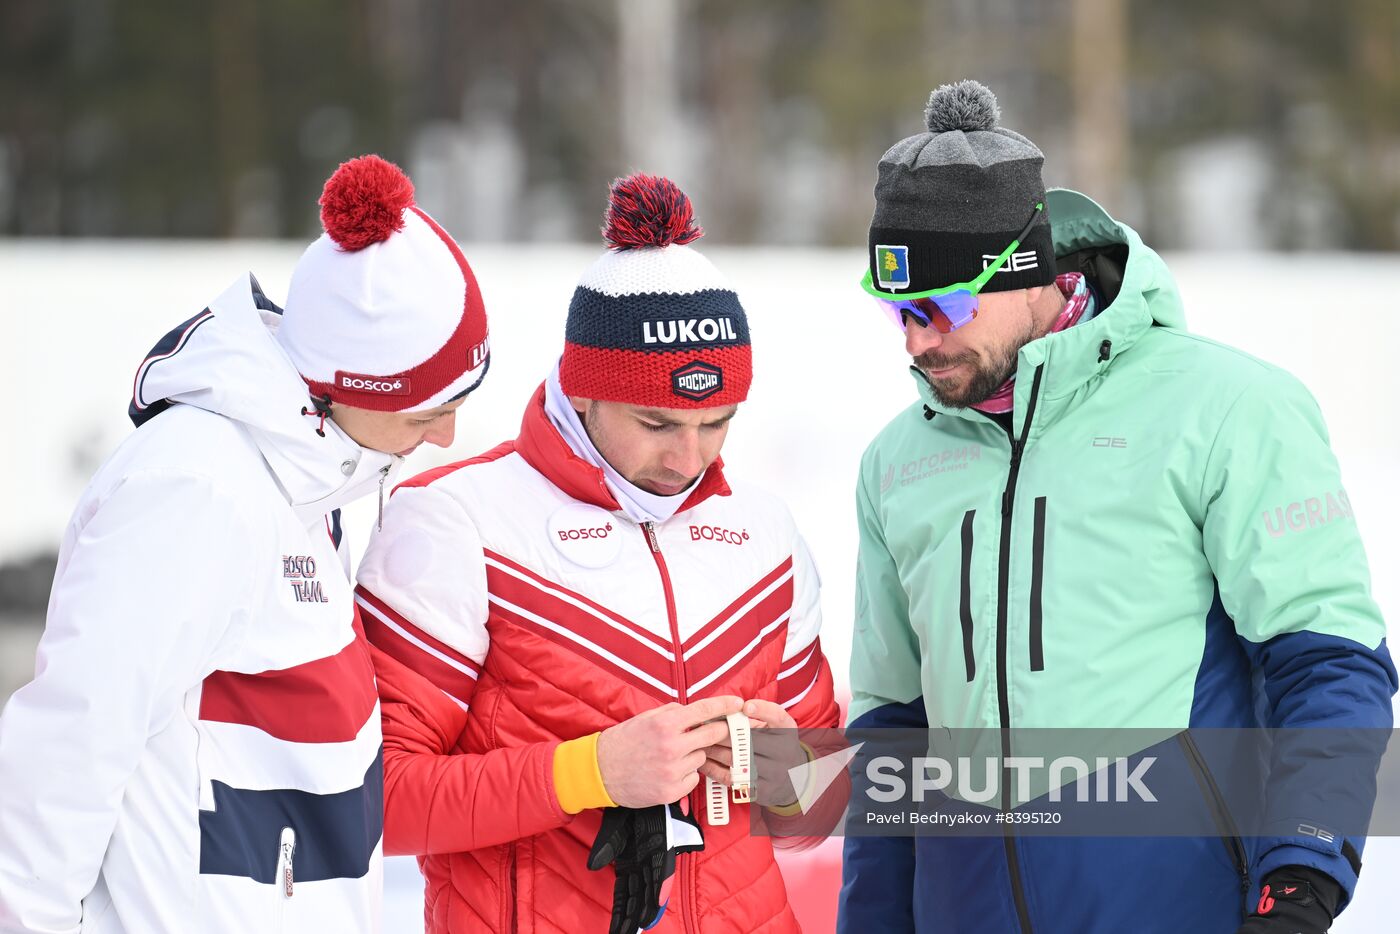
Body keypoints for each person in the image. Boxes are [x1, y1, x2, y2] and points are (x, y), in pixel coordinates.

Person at [838, 80, 1396, 934]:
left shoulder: (1226, 408)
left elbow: (1328, 663)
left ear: (1024, 270)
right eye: (898, 314)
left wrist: (1303, 875)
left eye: (942, 307)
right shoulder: (898, 461)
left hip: (1180, 906)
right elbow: (892, 733)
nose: (918, 342)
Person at [0, 155, 491, 934]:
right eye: (426, 411)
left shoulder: (322, 477)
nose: (447, 435)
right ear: (346, 387)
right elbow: (69, 749)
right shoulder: (196, 488)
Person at [353, 173, 840, 933]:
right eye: (657, 423)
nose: (688, 458)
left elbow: (824, 806)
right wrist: (590, 773)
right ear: (581, 391)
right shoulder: (456, 520)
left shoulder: (765, 534)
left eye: (716, 423)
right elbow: (372, 802)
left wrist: (781, 772)